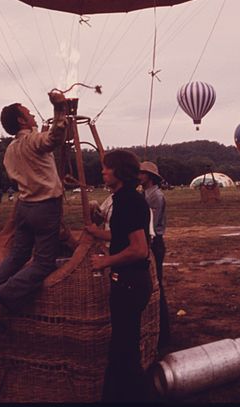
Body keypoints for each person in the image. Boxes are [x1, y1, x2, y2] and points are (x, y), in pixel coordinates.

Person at [0, 92, 68, 331]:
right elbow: (55, 138)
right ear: (21, 121)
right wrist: (60, 110)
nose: (32, 113)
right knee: (44, 263)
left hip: (24, 208)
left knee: (17, 255)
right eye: (27, 112)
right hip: (45, 207)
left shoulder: (10, 150)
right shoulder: (32, 140)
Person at [86, 150, 152, 403]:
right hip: (128, 282)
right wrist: (95, 232)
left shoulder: (129, 202)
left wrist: (105, 261)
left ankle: (131, 397)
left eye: (107, 167)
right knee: (123, 344)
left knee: (124, 348)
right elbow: (122, 235)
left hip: (130, 283)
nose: (102, 171)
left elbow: (138, 249)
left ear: (119, 171)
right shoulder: (122, 199)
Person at [139, 161, 170, 350]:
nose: (138, 176)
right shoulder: (145, 194)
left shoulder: (155, 196)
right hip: (149, 241)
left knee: (156, 284)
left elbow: (150, 224)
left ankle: (163, 332)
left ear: (149, 177)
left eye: (141, 173)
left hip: (153, 242)